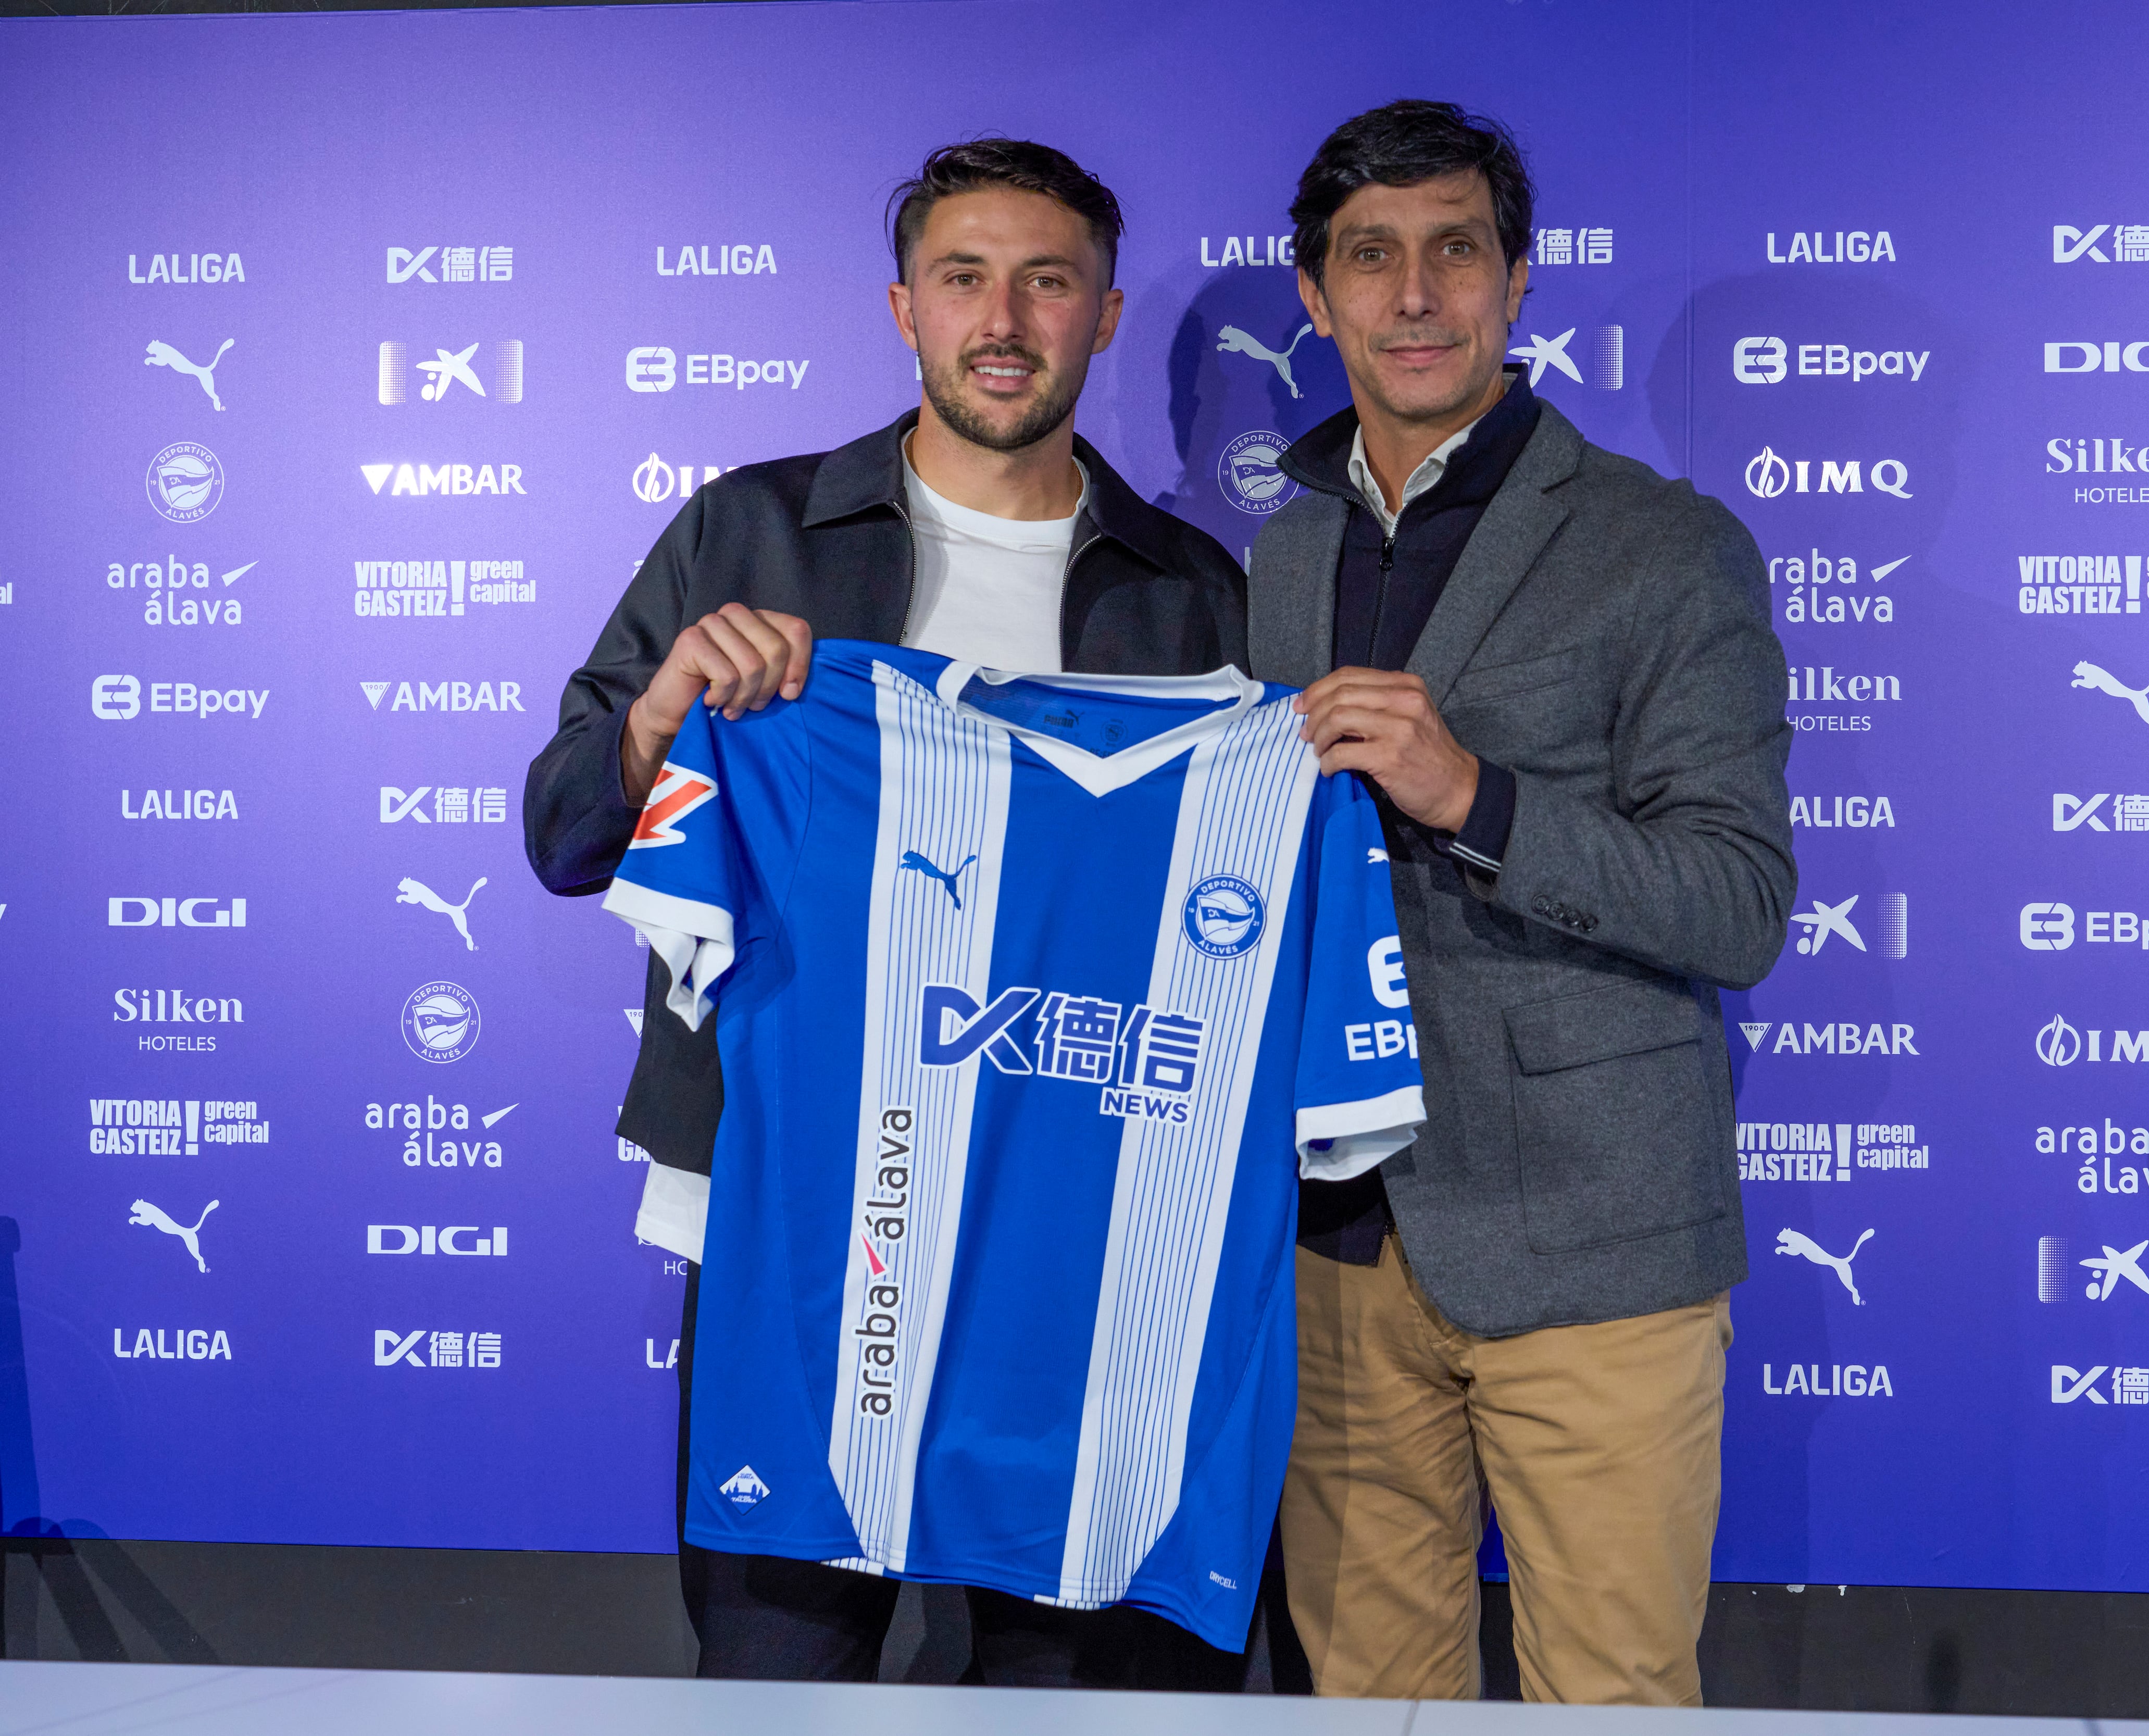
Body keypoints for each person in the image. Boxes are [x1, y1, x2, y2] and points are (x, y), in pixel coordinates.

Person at [522, 137, 1248, 1689]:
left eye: (1048, 282)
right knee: (779, 1661)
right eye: (966, 278)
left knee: (1073, 1675)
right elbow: (562, 831)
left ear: (1105, 317)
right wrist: (660, 715)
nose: (1006, 318)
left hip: (1071, 1207)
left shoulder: (1194, 587)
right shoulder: (750, 528)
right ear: (904, 309)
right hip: (795, 1196)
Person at [1252, 99, 1796, 1706]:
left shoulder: (1666, 547)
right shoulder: (1283, 555)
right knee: (1371, 1702)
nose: (1416, 295)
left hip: (1593, 1246)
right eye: (1372, 257)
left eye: (1455, 251)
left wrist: (1475, 798)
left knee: (1610, 1701)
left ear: (1519, 280)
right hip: (1335, 1245)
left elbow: (1739, 903)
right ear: (1315, 296)